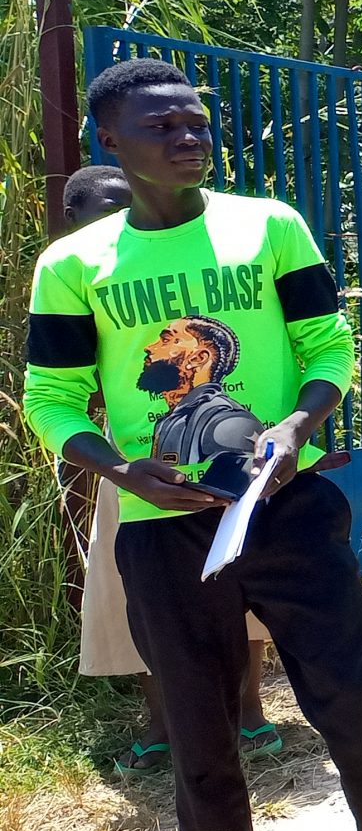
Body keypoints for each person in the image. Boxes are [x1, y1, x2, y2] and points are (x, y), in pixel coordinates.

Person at [22, 58, 362, 831]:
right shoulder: (73, 266)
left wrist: (293, 429)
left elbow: (327, 343)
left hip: (288, 505)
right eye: (164, 128)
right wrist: (123, 471)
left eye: (197, 123)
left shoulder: (267, 228)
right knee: (200, 734)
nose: (189, 138)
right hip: (162, 531)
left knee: (355, 709)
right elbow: (53, 398)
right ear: (110, 141)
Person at [54, 165, 283, 780]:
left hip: (220, 452)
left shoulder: (202, 259)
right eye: (101, 212)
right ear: (73, 222)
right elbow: (59, 388)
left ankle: (250, 712)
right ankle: (164, 723)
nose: (121, 220)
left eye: (124, 205)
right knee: (136, 591)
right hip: (128, 463)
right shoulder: (76, 273)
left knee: (237, 571)